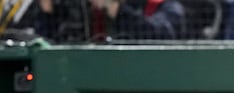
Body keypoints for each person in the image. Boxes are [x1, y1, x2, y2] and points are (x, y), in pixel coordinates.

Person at [34, 0, 186, 42]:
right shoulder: (81, 10)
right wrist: (48, 12)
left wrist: (116, 10)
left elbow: (165, 34)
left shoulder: (162, 5)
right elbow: (46, 45)